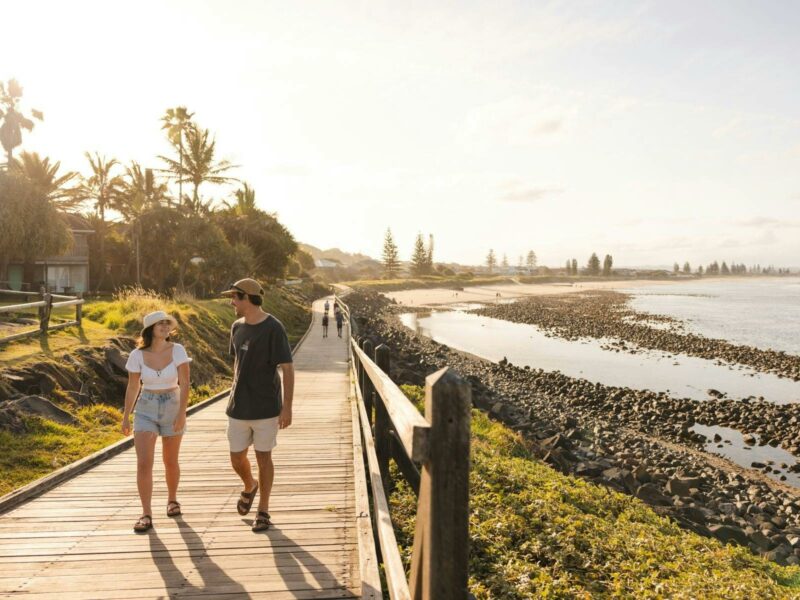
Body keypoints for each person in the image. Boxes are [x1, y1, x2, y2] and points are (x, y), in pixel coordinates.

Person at [221, 278, 295, 532]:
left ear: (246, 298)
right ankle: (249, 484)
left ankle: (263, 510)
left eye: (234, 297)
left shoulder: (274, 328)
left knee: (264, 457)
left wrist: (287, 407)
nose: (231, 302)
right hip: (238, 405)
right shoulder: (236, 327)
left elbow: (287, 368)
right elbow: (237, 364)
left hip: (266, 406)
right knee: (236, 456)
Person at [123, 310, 192, 533]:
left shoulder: (178, 350)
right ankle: (146, 513)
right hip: (146, 407)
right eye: (159, 324)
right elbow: (133, 386)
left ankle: (172, 500)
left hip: (172, 404)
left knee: (170, 461)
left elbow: (185, 383)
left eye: (167, 324)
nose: (164, 327)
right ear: (149, 329)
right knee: (144, 462)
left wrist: (182, 413)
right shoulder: (137, 355)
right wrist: (126, 415)